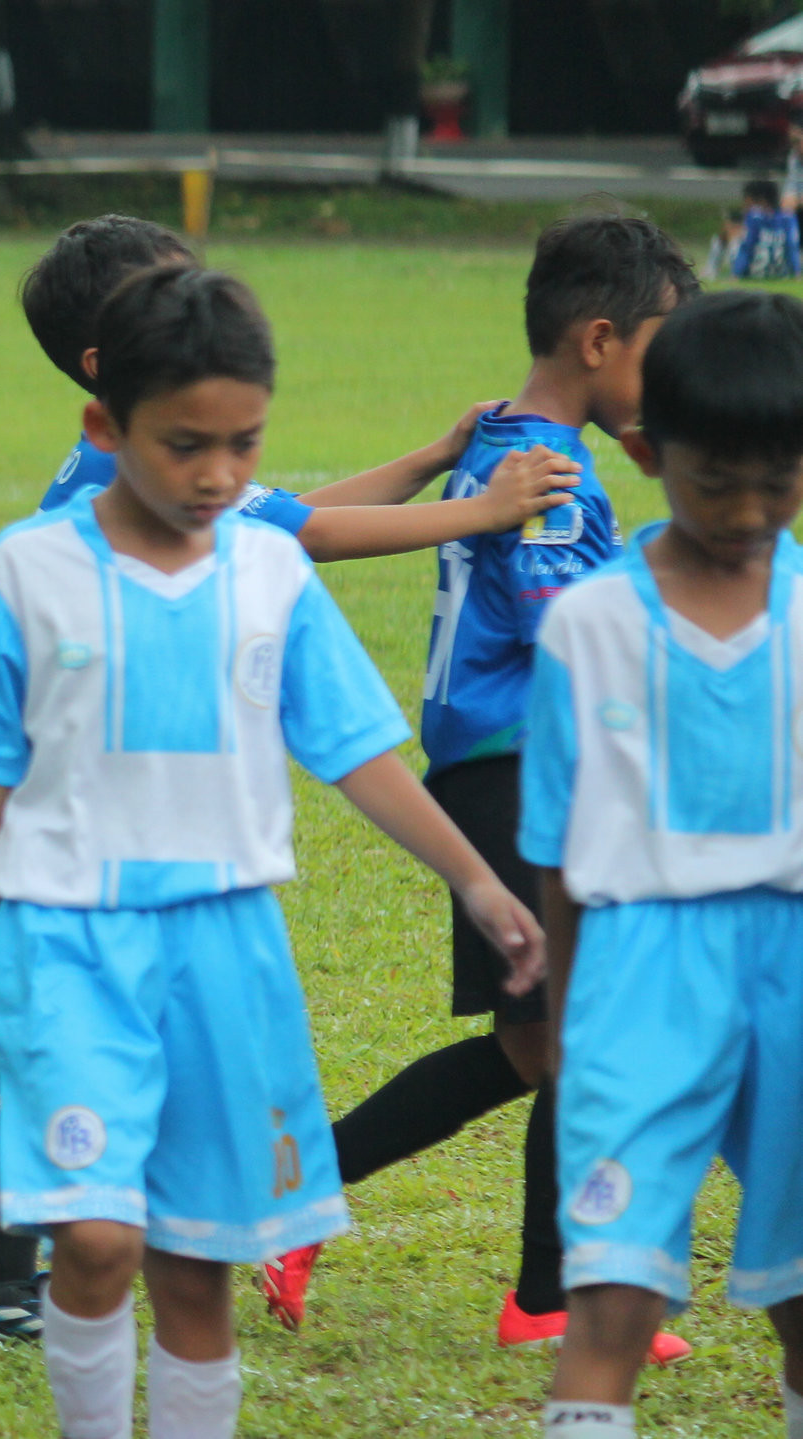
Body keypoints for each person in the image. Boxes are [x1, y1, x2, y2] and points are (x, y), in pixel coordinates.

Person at [0, 212, 579, 1346]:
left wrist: (431, 462)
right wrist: (483, 505)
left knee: (30, 1066)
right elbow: (307, 534)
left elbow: (279, 527)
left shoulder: (186, 479)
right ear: (107, 384)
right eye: (167, 298)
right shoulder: (74, 523)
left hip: (110, 843)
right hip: (23, 811)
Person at [261, 213, 702, 1353]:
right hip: (521, 771)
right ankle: (532, 1289)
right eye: (663, 348)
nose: (674, 379)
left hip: (511, 767)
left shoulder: (517, 442)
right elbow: (574, 634)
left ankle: (481, 1275)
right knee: (563, 1036)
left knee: (538, 1043)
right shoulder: (541, 469)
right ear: (600, 340)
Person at [526, 288, 803, 1439]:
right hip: (639, 970)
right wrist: (561, 1012)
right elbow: (555, 846)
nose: (743, 510)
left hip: (791, 958)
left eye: (776, 481)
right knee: (613, 1297)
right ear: (643, 452)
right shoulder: (585, 624)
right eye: (712, 479)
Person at [732, 178, 801, 281]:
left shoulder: (754, 217)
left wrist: (736, 274)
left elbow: (747, 247)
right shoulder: (788, 217)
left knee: (735, 243)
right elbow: (792, 247)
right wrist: (797, 273)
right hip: (782, 274)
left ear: (759, 199)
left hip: (756, 274)